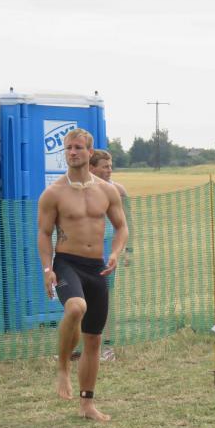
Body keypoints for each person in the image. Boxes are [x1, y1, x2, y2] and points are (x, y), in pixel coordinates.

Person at [37, 128, 128, 422]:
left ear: (90, 152)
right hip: (67, 263)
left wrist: (115, 253)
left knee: (94, 340)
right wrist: (48, 269)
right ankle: (63, 366)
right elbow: (44, 233)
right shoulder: (53, 193)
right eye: (68, 148)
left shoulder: (107, 191)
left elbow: (121, 227)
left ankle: (87, 404)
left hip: (96, 267)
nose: (72, 152)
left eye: (78, 147)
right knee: (76, 307)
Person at [89, 148, 131, 361]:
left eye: (111, 166)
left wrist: (127, 251)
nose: (109, 170)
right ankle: (79, 346)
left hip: (107, 251)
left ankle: (107, 347)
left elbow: (127, 223)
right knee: (79, 299)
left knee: (105, 300)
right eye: (105, 167)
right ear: (92, 168)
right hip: (82, 251)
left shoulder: (118, 191)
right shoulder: (80, 189)